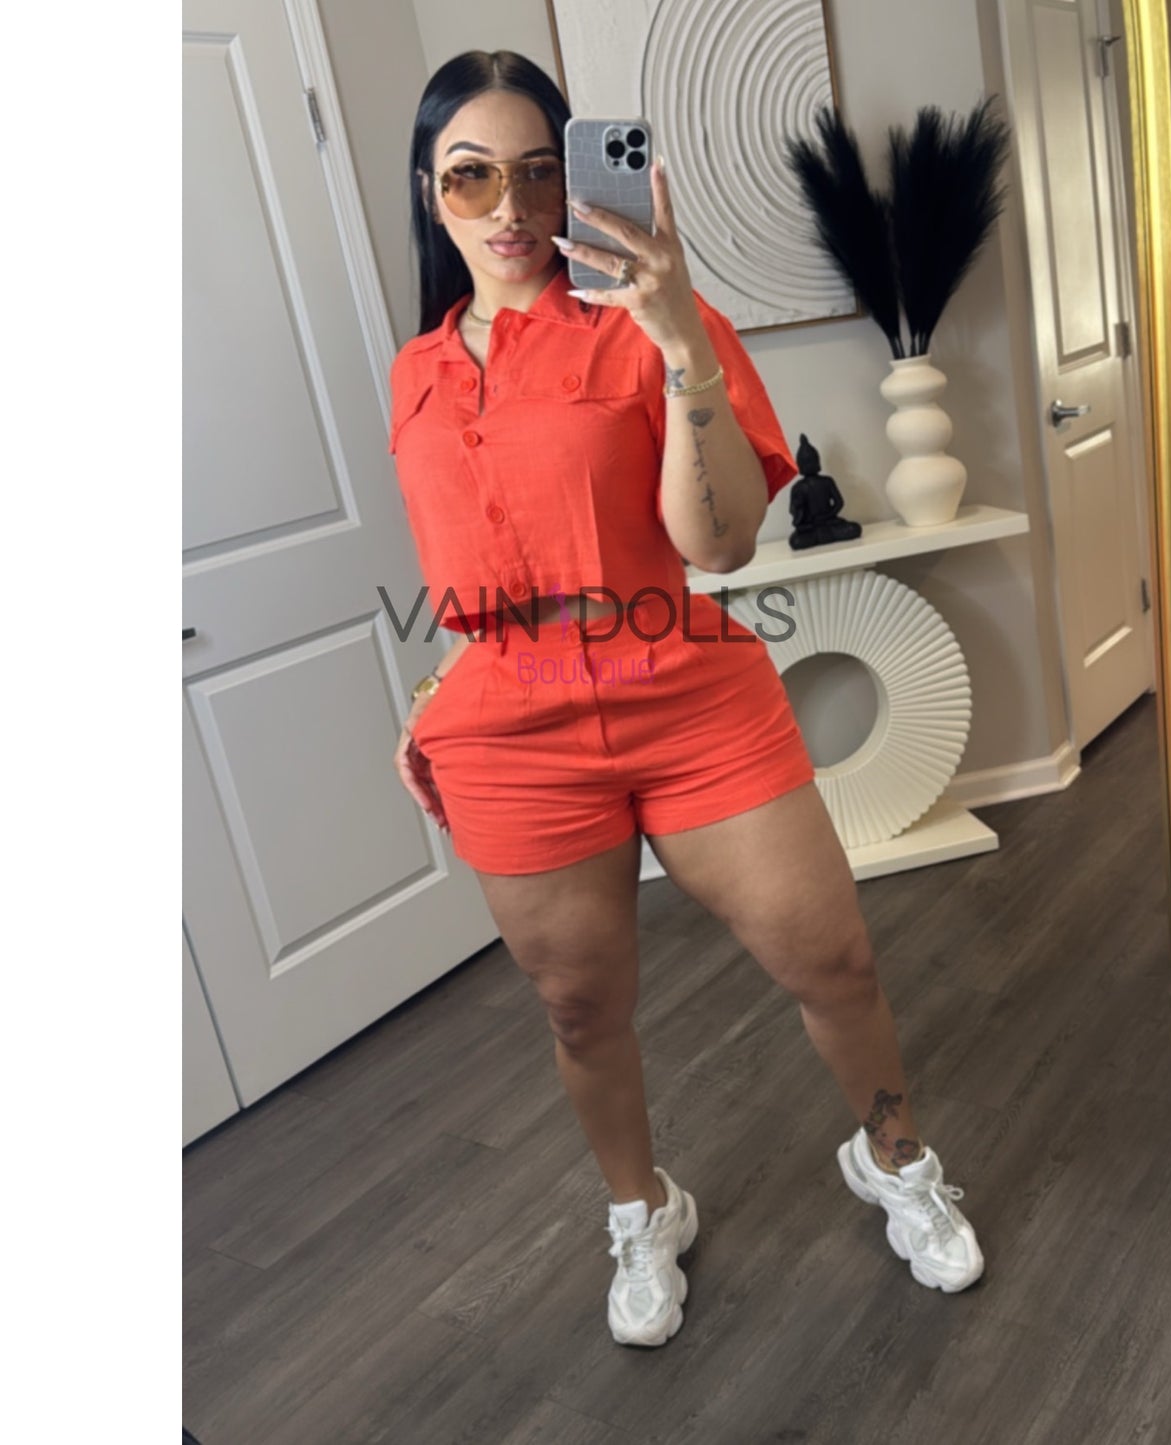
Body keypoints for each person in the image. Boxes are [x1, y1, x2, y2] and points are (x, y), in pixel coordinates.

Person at [387, 50, 984, 1348]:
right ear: (430, 194)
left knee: (831, 956)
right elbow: (471, 576)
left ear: (574, 182)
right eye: (471, 177)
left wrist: (677, 347)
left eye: (537, 172)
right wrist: (440, 682)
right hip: (510, 727)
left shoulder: (660, 327)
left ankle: (893, 1158)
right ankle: (641, 1207)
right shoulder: (416, 371)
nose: (509, 206)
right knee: (579, 1006)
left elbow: (714, 543)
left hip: (682, 689)